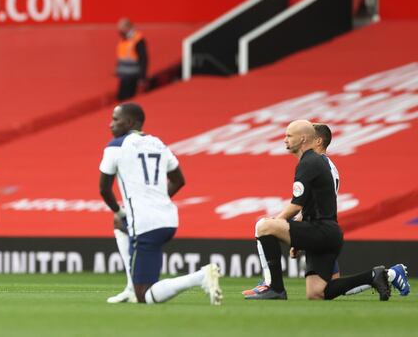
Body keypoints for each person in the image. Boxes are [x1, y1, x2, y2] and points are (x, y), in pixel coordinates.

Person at [247, 120, 408, 301]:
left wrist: (278, 223)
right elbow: (312, 204)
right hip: (325, 231)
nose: (284, 140)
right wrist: (297, 236)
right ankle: (377, 276)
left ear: (306, 139)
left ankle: (273, 287)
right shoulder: (320, 164)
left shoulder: (310, 163)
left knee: (264, 226)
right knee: (318, 292)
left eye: (288, 136)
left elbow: (297, 205)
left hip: (319, 230)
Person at [98, 103, 222, 305]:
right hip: (168, 219)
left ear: (129, 122)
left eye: (115, 119)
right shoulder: (158, 143)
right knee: (120, 224)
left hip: (145, 223)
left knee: (144, 296)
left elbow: (104, 189)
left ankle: (200, 276)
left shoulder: (116, 146)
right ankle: (130, 286)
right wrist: (158, 200)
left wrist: (120, 211)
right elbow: (179, 180)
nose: (110, 124)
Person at [115, 18, 148, 101]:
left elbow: (144, 59)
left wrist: (142, 77)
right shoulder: (124, 38)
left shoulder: (137, 40)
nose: (119, 31)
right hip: (124, 75)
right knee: (121, 98)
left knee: (128, 99)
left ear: (127, 27)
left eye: (121, 28)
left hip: (133, 76)